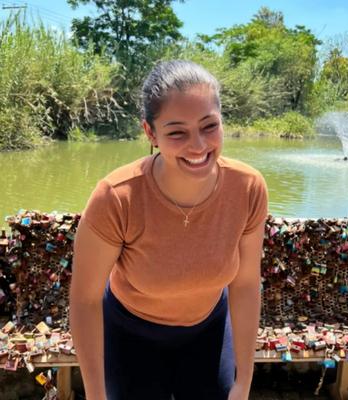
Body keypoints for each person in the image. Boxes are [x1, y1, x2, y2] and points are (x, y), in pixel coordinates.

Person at [70, 60, 268, 400]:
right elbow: (85, 299)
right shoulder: (117, 197)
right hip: (130, 333)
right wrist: (95, 395)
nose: (198, 146)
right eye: (177, 132)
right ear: (151, 133)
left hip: (208, 329)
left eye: (209, 126)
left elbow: (246, 283)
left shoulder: (247, 187)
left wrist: (244, 381)